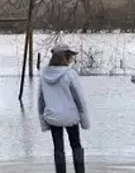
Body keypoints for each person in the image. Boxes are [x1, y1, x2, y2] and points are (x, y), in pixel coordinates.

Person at [38, 44, 89, 173]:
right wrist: (84, 121)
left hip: (52, 116)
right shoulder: (70, 74)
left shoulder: (43, 75)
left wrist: (43, 122)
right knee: (76, 145)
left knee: (58, 148)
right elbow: (79, 99)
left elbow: (41, 100)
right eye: (70, 56)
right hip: (70, 116)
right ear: (66, 57)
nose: (72, 58)